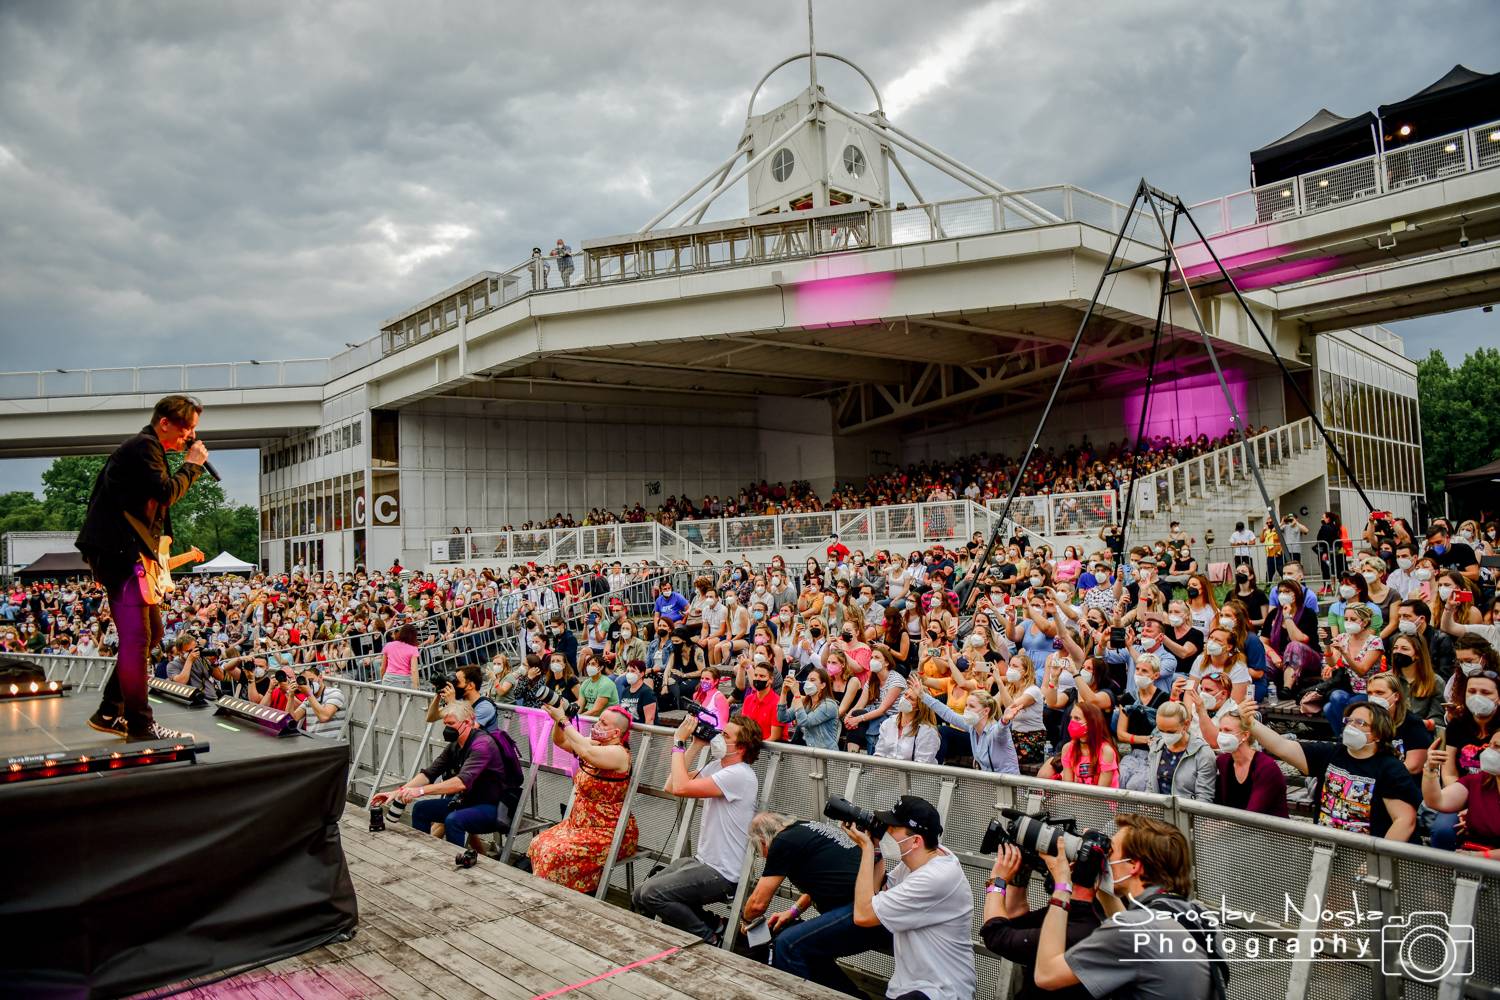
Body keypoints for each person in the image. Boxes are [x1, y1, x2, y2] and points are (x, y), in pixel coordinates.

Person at [74, 394, 209, 740]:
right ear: (165, 423)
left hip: (127, 552)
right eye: (186, 429)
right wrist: (192, 465)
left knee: (154, 632)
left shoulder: (149, 450)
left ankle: (109, 710)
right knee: (137, 639)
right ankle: (141, 724)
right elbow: (165, 492)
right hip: (119, 554)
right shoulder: (143, 447)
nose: (190, 437)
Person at [1032, 813, 1216, 998]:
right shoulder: (1200, 916)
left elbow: (1047, 974)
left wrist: (1062, 884)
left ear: (1134, 865)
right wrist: (1099, 878)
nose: (1105, 859)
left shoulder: (1134, 928)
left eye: (1109, 852)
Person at [632, 714, 762, 945]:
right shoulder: (717, 766)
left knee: (653, 893)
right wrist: (694, 745)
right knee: (640, 894)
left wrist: (678, 743)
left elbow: (682, 788)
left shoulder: (740, 774)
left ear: (740, 747)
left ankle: (710, 938)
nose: (720, 738)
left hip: (723, 873)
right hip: (703, 860)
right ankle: (714, 925)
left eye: (725, 735)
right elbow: (671, 785)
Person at [846, 796, 976, 1000]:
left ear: (916, 840)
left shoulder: (936, 877)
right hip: (909, 987)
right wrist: (877, 848)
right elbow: (879, 890)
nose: (886, 831)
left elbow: (863, 915)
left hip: (941, 991)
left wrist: (866, 850)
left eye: (892, 828)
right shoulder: (922, 857)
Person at [747, 813, 892, 995]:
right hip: (873, 907)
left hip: (865, 913)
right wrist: (792, 912)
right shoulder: (805, 828)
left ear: (762, 841)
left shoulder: (781, 842)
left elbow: (757, 905)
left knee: (788, 945)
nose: (764, 856)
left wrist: (746, 922)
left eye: (760, 851)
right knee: (804, 944)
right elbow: (825, 877)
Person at [1243, 698, 1419, 840]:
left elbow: (1405, 821)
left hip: (1368, 856)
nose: (1351, 726)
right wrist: (1250, 723)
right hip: (1328, 850)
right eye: (1348, 721)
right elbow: (1281, 746)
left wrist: (1378, 860)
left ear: (1378, 733)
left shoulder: (1391, 768)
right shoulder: (1330, 753)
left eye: (1360, 722)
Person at [372, 700, 525, 856]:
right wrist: (398, 792)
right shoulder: (455, 745)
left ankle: (455, 867)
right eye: (445, 724)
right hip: (468, 802)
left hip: (494, 807)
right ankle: (423, 856)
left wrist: (419, 791)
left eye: (451, 723)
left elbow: (460, 783)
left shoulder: (482, 745)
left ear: (467, 722)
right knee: (421, 809)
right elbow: (429, 773)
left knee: (454, 820)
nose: (447, 728)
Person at [527, 705, 638, 893]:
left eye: (603, 722)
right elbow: (560, 741)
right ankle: (553, 894)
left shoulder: (619, 753)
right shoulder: (596, 744)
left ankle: (560, 898)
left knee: (553, 853)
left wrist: (564, 721)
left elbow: (586, 752)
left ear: (616, 732)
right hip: (578, 825)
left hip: (607, 831)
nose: (597, 725)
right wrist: (559, 719)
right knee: (538, 843)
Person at [982, 838, 1105, 1000]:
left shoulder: (1082, 930)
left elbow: (995, 935)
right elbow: (1016, 921)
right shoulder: (1083, 909)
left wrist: (997, 881)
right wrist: (1021, 870)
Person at [1423, 732, 1500, 857]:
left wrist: (1474, 857)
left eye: (1497, 746)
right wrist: (1430, 769)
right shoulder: (1478, 780)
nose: (1489, 751)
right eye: (1489, 745)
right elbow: (1436, 801)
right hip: (1473, 865)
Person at [1212, 706, 1289, 817]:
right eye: (1220, 730)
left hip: (1268, 830)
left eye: (1227, 730)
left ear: (1245, 735)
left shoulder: (1266, 767)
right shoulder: (1223, 761)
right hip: (1234, 829)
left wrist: (1220, 826)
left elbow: (1254, 813)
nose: (1222, 735)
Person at [874, 688, 942, 764]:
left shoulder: (927, 731)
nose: (905, 698)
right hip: (886, 773)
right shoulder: (888, 723)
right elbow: (879, 754)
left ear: (919, 707)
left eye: (911, 698)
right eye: (905, 694)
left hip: (912, 774)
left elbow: (922, 766)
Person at [425, 664, 498, 733]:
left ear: (470, 685)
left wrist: (452, 703)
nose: (454, 685)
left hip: (481, 745)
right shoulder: (460, 701)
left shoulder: (485, 706)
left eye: (457, 682)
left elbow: (467, 731)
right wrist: (438, 693)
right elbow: (431, 717)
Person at [290, 663, 345, 738]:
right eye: (306, 682)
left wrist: (308, 694)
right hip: (314, 744)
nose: (309, 684)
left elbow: (324, 717)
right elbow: (292, 718)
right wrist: (290, 695)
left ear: (320, 677)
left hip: (333, 745)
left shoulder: (335, 693)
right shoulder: (308, 697)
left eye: (311, 680)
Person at [381, 623, 422, 688]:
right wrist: (416, 686)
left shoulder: (388, 645)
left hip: (387, 678)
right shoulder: (413, 649)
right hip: (403, 680)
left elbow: (383, 667)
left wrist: (383, 679)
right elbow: (414, 670)